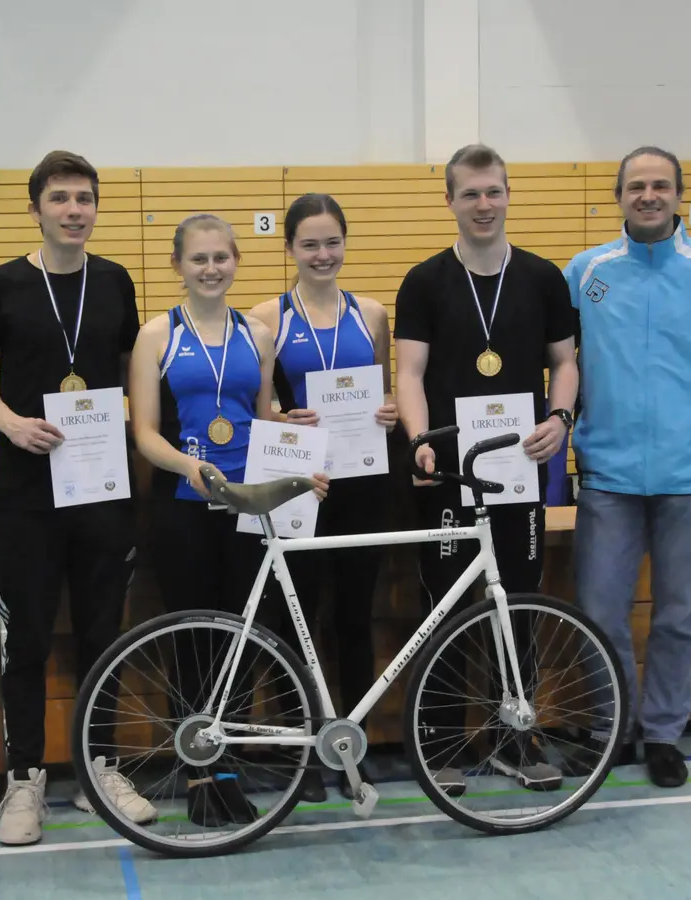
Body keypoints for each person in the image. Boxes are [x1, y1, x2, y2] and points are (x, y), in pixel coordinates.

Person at [0, 151, 156, 846]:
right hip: (28, 494)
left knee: (105, 634)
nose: (75, 210)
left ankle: (101, 766)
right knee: (29, 642)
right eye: (62, 198)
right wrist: (8, 422)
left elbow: (138, 375)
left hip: (104, 489)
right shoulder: (3, 284)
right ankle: (24, 779)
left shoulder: (114, 281)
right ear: (36, 207)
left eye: (85, 199)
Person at [563, 145, 691, 788]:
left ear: (679, 195)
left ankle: (664, 735)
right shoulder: (586, 272)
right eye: (636, 186)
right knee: (598, 612)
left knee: (677, 617)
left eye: (659, 186)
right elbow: (560, 367)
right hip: (607, 477)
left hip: (689, 476)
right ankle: (614, 728)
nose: (647, 195)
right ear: (617, 195)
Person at [128, 213, 328, 825]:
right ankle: (198, 773)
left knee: (242, 637)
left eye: (221, 257)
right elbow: (144, 432)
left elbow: (263, 413)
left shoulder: (257, 333)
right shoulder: (156, 336)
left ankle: (230, 766)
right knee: (192, 638)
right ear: (177, 266)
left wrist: (296, 450)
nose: (211, 269)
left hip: (247, 507)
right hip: (184, 506)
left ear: (236, 260)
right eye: (198, 259)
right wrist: (188, 469)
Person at [392, 143, 577, 796]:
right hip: (449, 467)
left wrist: (560, 419)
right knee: (443, 606)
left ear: (507, 194)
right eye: (469, 193)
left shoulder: (542, 278)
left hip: (520, 469)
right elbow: (408, 374)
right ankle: (441, 740)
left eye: (493, 191)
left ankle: (515, 737)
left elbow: (567, 362)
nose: (483, 204)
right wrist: (419, 439)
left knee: (516, 603)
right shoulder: (424, 281)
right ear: (449, 200)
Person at [246, 193, 396, 801]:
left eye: (332, 241)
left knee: (354, 615)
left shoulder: (373, 314)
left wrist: (386, 412)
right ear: (289, 249)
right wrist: (284, 416)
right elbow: (261, 409)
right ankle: (298, 749)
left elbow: (382, 390)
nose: (322, 253)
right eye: (309, 243)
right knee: (295, 615)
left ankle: (350, 739)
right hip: (300, 483)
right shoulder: (265, 319)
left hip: (362, 480)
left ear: (345, 243)